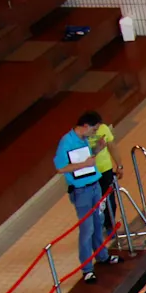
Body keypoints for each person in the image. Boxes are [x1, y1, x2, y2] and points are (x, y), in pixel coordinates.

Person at [52, 114, 119, 283]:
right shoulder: (66, 142)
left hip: (94, 185)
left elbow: (87, 157)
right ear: (85, 125)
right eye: (94, 129)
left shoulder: (84, 139)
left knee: (98, 222)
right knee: (87, 229)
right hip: (81, 191)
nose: (95, 132)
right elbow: (60, 168)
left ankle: (102, 256)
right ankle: (87, 269)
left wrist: (98, 148)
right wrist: (83, 165)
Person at [79, 110, 119, 247]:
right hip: (89, 172)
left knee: (110, 199)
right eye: (94, 128)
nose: (96, 130)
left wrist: (119, 164)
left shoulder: (104, 129)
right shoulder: (80, 135)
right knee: (93, 202)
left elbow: (112, 147)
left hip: (105, 169)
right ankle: (97, 226)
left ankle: (110, 225)